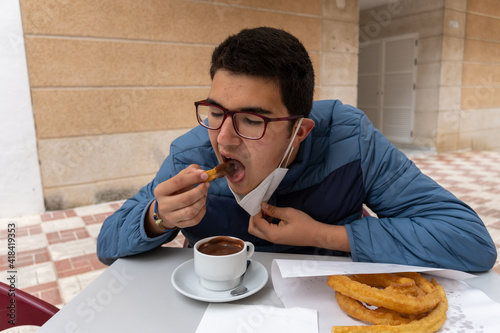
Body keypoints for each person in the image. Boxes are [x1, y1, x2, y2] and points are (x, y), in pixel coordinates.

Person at [97, 27, 497, 272]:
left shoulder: (349, 139)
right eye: (217, 112)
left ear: (300, 132)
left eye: (253, 120)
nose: (224, 139)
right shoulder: (192, 155)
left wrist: (329, 236)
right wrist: (155, 218)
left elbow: (470, 242)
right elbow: (107, 246)